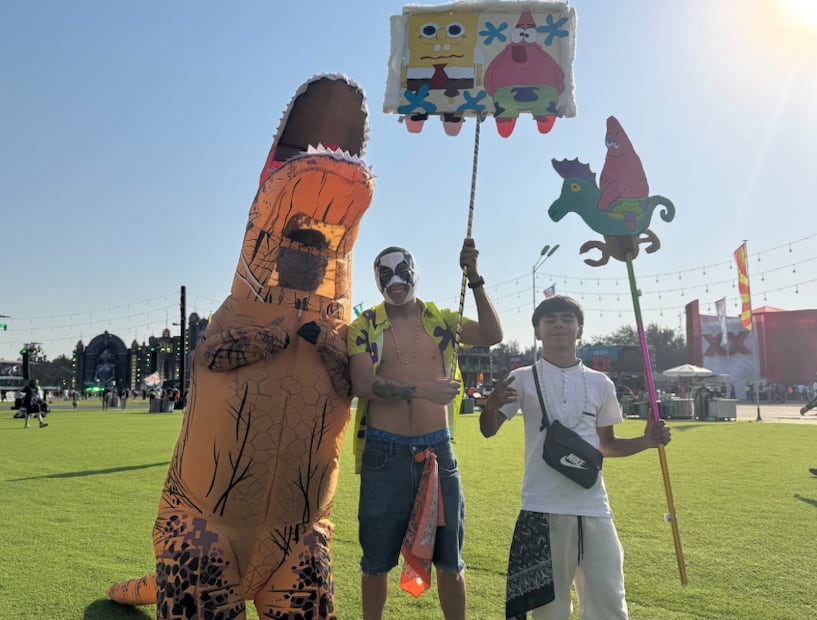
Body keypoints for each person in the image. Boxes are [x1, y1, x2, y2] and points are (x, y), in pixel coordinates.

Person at [479, 295, 670, 620]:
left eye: (567, 319)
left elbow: (605, 446)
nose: (559, 325)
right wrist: (491, 405)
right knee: (548, 611)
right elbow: (488, 430)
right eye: (549, 320)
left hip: (594, 507)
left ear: (579, 329)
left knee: (608, 603)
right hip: (542, 508)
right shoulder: (521, 378)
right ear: (537, 331)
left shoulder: (601, 383)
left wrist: (646, 441)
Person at [348, 239, 503, 620]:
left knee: (449, 557)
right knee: (376, 558)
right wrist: (424, 390)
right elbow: (363, 385)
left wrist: (476, 277)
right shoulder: (365, 325)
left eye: (402, 271)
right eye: (385, 274)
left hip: (438, 450)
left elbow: (491, 333)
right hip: (384, 453)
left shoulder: (442, 321)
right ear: (376, 279)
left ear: (415, 273)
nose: (395, 280)